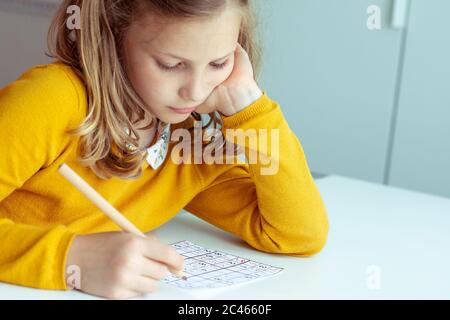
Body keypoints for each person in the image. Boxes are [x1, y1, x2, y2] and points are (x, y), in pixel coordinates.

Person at [0, 0, 329, 299]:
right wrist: (69, 260)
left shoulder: (188, 143)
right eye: (171, 65)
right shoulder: (49, 101)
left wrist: (247, 105)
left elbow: (298, 234)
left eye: (218, 63)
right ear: (114, 37)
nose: (195, 92)